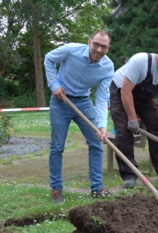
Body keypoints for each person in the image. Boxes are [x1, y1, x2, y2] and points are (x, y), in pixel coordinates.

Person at [44, 30, 114, 204]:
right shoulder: (71, 50)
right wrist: (54, 85)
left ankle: (97, 188)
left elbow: (102, 97)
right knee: (57, 146)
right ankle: (56, 188)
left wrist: (102, 125)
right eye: (96, 44)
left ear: (108, 48)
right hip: (61, 100)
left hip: (83, 102)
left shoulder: (107, 67)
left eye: (103, 47)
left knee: (96, 142)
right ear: (90, 42)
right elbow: (49, 59)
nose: (98, 50)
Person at [109, 43, 158, 188]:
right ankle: (129, 175)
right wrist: (132, 118)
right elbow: (125, 91)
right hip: (120, 92)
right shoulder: (140, 61)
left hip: (144, 98)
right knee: (124, 131)